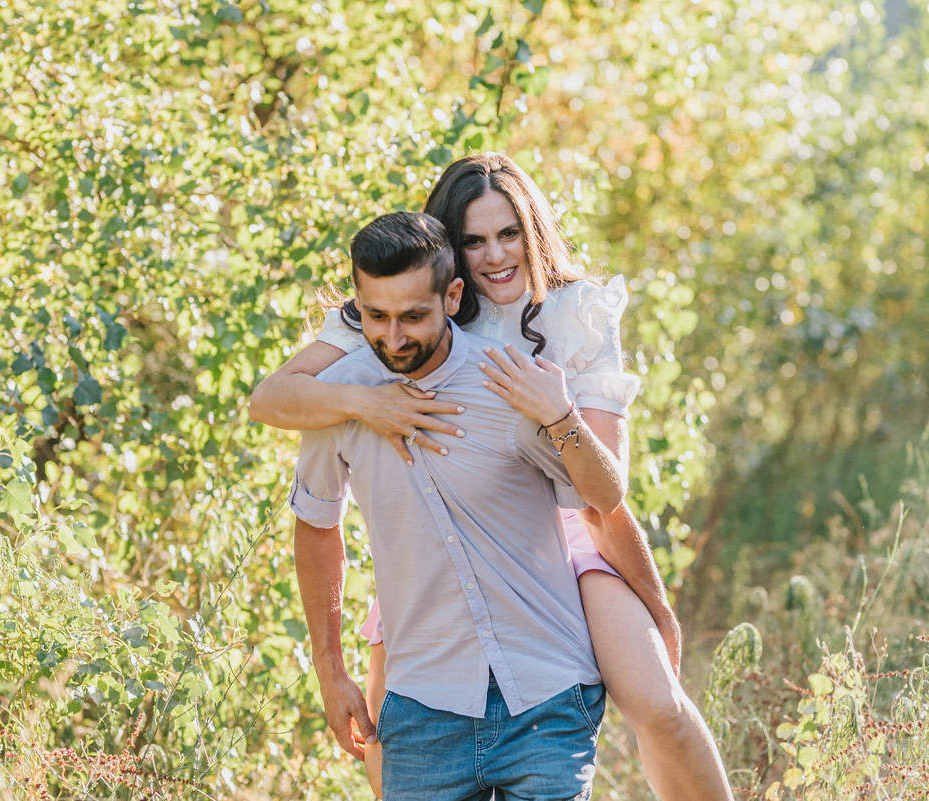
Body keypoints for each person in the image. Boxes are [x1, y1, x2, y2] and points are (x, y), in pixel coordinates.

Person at [251, 153, 733, 800]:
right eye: (474, 240)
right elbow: (271, 399)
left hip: (570, 528)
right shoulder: (402, 309)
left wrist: (656, 602)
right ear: (451, 253)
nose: (496, 256)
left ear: (533, 232)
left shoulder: (574, 314)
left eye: (510, 233)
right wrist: (369, 404)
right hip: (434, 541)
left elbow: (603, 497)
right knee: (388, 751)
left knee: (660, 704)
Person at [290, 210, 617, 799]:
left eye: (413, 316)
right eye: (376, 316)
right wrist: (330, 670)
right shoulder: (335, 401)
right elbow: (316, 527)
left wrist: (561, 414)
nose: (394, 338)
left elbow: (603, 498)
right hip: (422, 709)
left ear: (453, 296)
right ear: (358, 305)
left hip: (545, 696)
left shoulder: (508, 382)